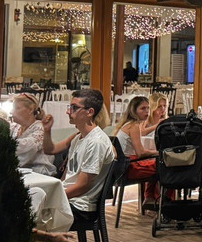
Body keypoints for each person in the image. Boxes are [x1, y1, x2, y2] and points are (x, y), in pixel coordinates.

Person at [41, 89, 115, 227]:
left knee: (27, 216)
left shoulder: (96, 142)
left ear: (90, 112)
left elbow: (83, 186)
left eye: (74, 108)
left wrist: (52, 198)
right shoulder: (78, 137)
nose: (68, 112)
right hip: (70, 200)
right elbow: (66, 177)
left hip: (80, 207)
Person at [113, 95, 164, 206]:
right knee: (164, 165)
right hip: (128, 167)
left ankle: (150, 197)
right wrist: (158, 152)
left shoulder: (127, 125)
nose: (147, 111)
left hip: (120, 166)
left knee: (156, 163)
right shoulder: (134, 126)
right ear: (134, 110)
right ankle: (163, 200)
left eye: (148, 108)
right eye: (143, 108)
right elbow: (140, 153)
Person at [10, 93, 56, 176]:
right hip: (21, 171)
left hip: (40, 173)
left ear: (30, 109)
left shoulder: (40, 128)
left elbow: (26, 147)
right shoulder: (15, 128)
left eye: (17, 108)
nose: (11, 112)